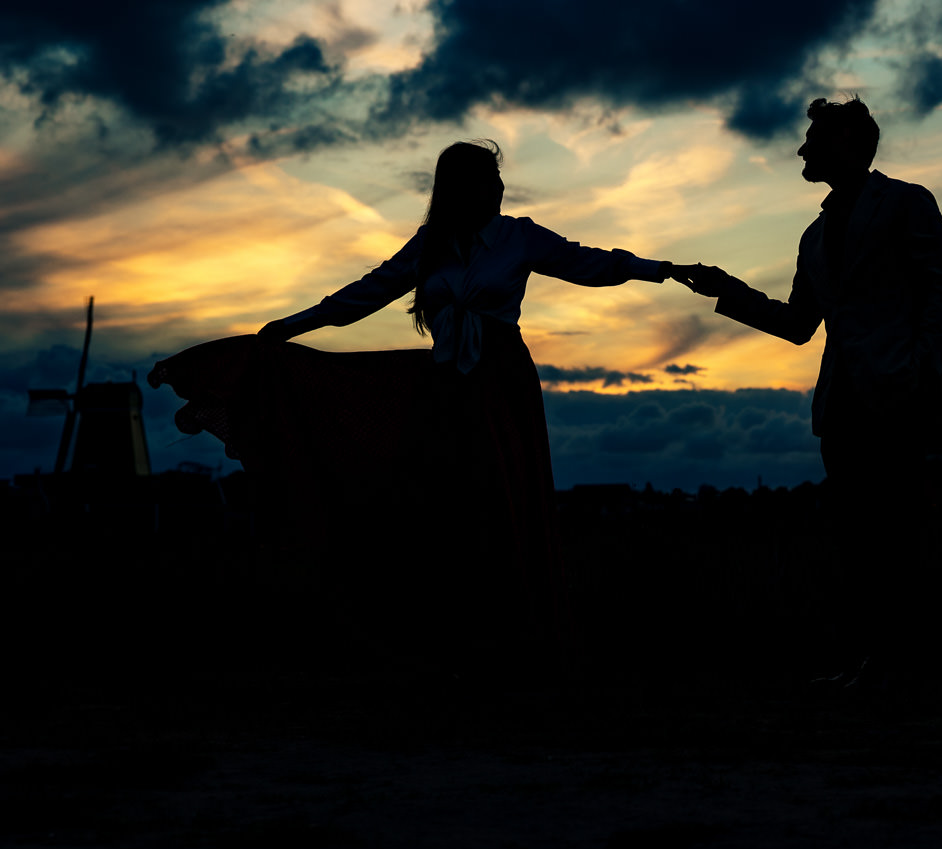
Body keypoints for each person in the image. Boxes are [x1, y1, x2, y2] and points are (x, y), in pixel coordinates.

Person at [150, 140, 686, 639]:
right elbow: (369, 291)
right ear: (462, 187)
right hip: (446, 384)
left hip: (500, 383)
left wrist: (660, 268)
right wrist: (291, 326)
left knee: (501, 497)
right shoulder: (431, 244)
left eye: (499, 180)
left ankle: (516, 630)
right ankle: (442, 631)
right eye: (490, 179)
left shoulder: (519, 236)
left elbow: (591, 262)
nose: (500, 189)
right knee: (442, 503)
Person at [670, 97, 942, 687]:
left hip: (901, 394)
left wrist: (922, 364)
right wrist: (725, 289)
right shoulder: (814, 235)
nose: (802, 149)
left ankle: (914, 663)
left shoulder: (907, 202)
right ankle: (875, 661)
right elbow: (799, 324)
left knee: (901, 532)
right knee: (859, 537)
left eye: (814, 139)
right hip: (843, 406)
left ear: (850, 145)